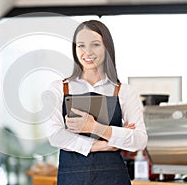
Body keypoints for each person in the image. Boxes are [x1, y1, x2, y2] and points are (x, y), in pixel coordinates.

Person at [46, 19, 148, 185]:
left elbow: (139, 140)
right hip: (71, 179)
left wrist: (94, 128)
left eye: (95, 44)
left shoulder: (124, 91)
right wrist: (105, 144)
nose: (88, 52)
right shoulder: (58, 88)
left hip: (114, 179)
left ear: (106, 47)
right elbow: (55, 136)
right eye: (81, 45)